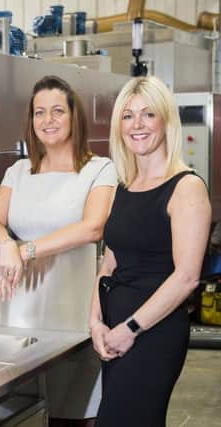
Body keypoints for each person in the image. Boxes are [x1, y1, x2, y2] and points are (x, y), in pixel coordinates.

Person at [0, 75, 117, 426]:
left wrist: (26, 250)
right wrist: (7, 244)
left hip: (75, 306)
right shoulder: (19, 171)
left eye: (58, 111)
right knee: (24, 411)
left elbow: (93, 227)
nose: (48, 120)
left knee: (73, 412)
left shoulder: (100, 169)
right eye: (39, 112)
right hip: (22, 309)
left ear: (75, 117)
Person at [89, 76, 210, 426]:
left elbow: (186, 278)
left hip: (152, 334)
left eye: (148, 115)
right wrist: (95, 321)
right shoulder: (123, 186)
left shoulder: (186, 187)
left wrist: (130, 328)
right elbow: (108, 264)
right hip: (113, 331)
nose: (137, 125)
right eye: (127, 116)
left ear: (166, 121)